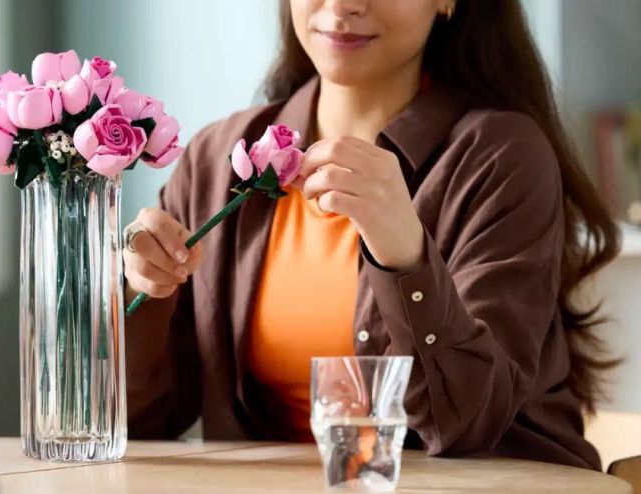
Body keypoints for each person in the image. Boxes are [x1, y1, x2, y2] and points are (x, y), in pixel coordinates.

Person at [122, 0, 620, 470]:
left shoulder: (501, 157)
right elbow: (141, 422)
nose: (343, 5)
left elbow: (466, 424)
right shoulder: (219, 160)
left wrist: (404, 256)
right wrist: (143, 291)